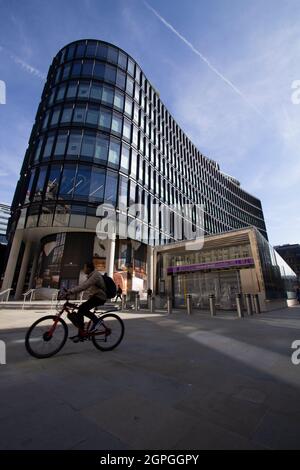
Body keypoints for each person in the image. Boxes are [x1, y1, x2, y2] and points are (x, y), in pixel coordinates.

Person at [66, 261, 107, 341]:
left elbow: (85, 286)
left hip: (100, 297)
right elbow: (82, 286)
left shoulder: (95, 275)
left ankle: (97, 321)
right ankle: (81, 334)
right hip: (95, 296)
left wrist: (71, 291)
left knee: (82, 309)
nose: (84, 269)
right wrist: (70, 291)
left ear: (89, 268)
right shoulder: (90, 276)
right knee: (80, 311)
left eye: (84, 267)